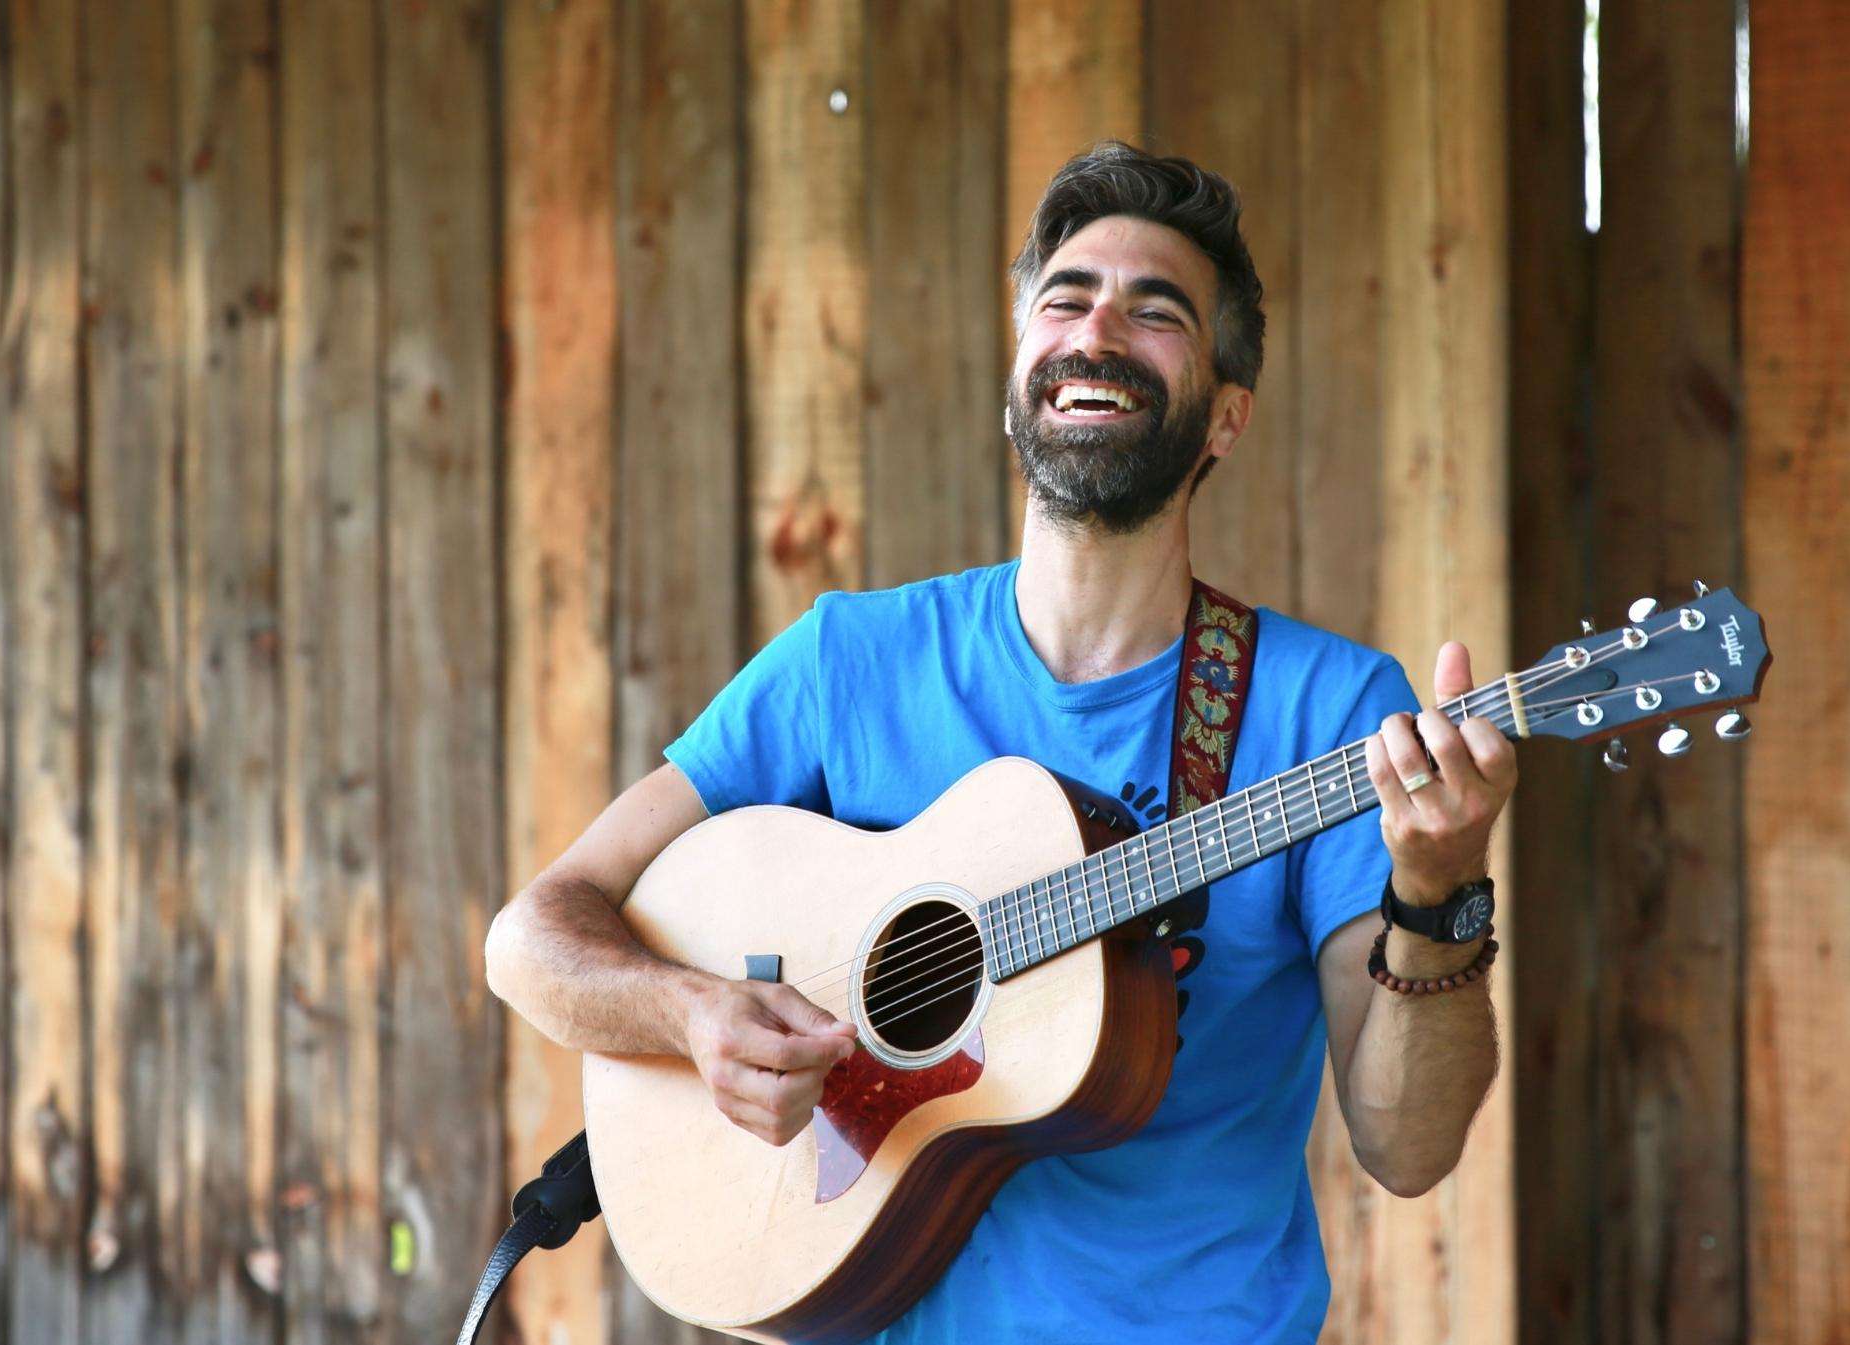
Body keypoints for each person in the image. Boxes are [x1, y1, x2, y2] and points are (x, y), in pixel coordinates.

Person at [485, 141, 1512, 1343]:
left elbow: (1404, 1145)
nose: (1096, 328)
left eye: (1156, 310)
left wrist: (1438, 895)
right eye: (1063, 299)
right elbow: (533, 936)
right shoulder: (848, 661)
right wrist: (690, 1014)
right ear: (1019, 372)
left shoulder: (1327, 710)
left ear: (1225, 416)